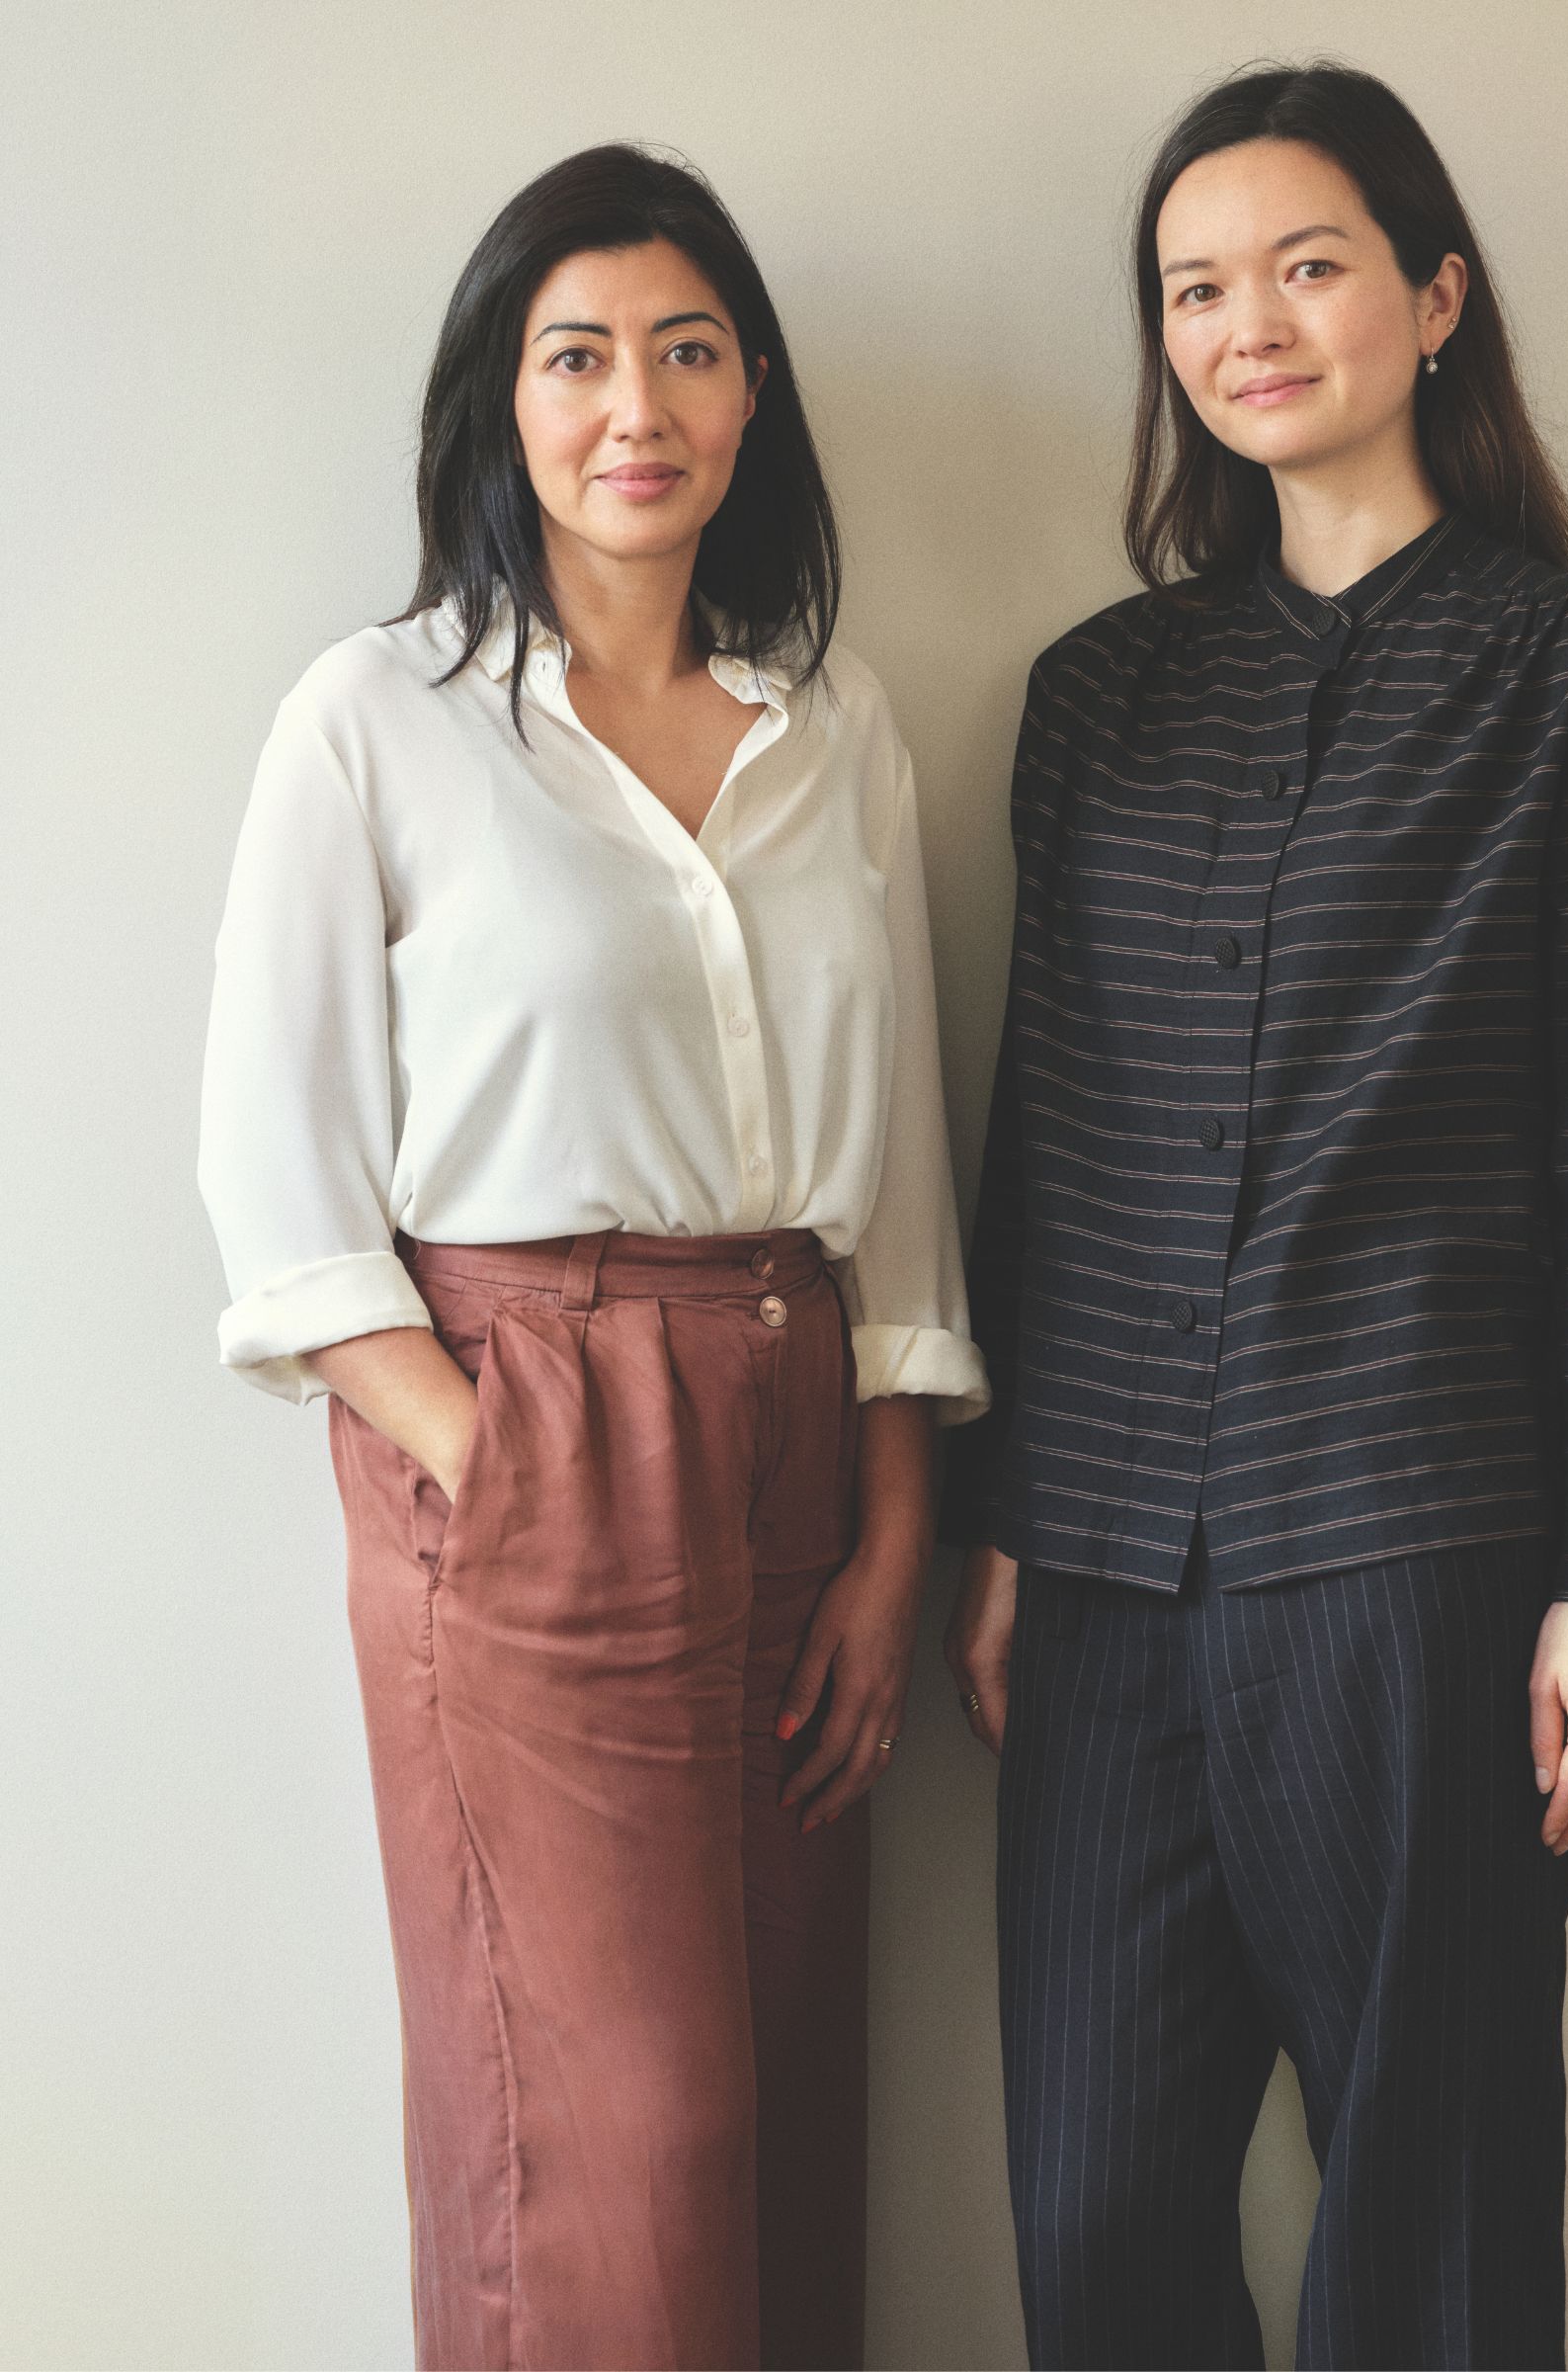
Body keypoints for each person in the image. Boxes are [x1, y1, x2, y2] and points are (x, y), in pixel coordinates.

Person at [939, 59, 1568, 2372]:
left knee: (1429, 2224)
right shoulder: (1097, 698)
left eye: (1303, 267)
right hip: (1102, 1577)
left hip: (1419, 1558)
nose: (1247, 325)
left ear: (1434, 297)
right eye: (1194, 289)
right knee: (1092, 2218)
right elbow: (1047, 1129)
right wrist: (1008, 1521)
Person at [196, 145, 982, 2370]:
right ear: (503, 402)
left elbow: (898, 1167)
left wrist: (895, 1531)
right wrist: (497, 1456)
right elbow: (278, 1182)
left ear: (751, 400)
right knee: (620, 2142)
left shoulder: (835, 727)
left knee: (783, 2115)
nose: (636, 405)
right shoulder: (378, 719)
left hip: (803, 1425)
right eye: (577, 357)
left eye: (688, 351)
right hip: (532, 1417)